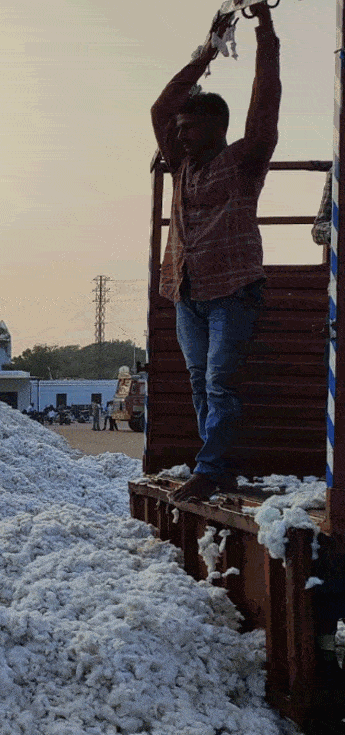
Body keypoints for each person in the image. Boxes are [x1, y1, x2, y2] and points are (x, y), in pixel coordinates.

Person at [151, 4, 280, 503]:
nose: (179, 133)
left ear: (216, 127)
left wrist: (264, 32)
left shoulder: (244, 160)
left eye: (190, 126)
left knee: (221, 382)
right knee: (201, 382)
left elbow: (265, 101)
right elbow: (161, 108)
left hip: (233, 289)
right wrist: (206, 51)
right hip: (185, 289)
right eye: (179, 128)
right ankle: (216, 464)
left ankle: (210, 467)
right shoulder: (181, 163)